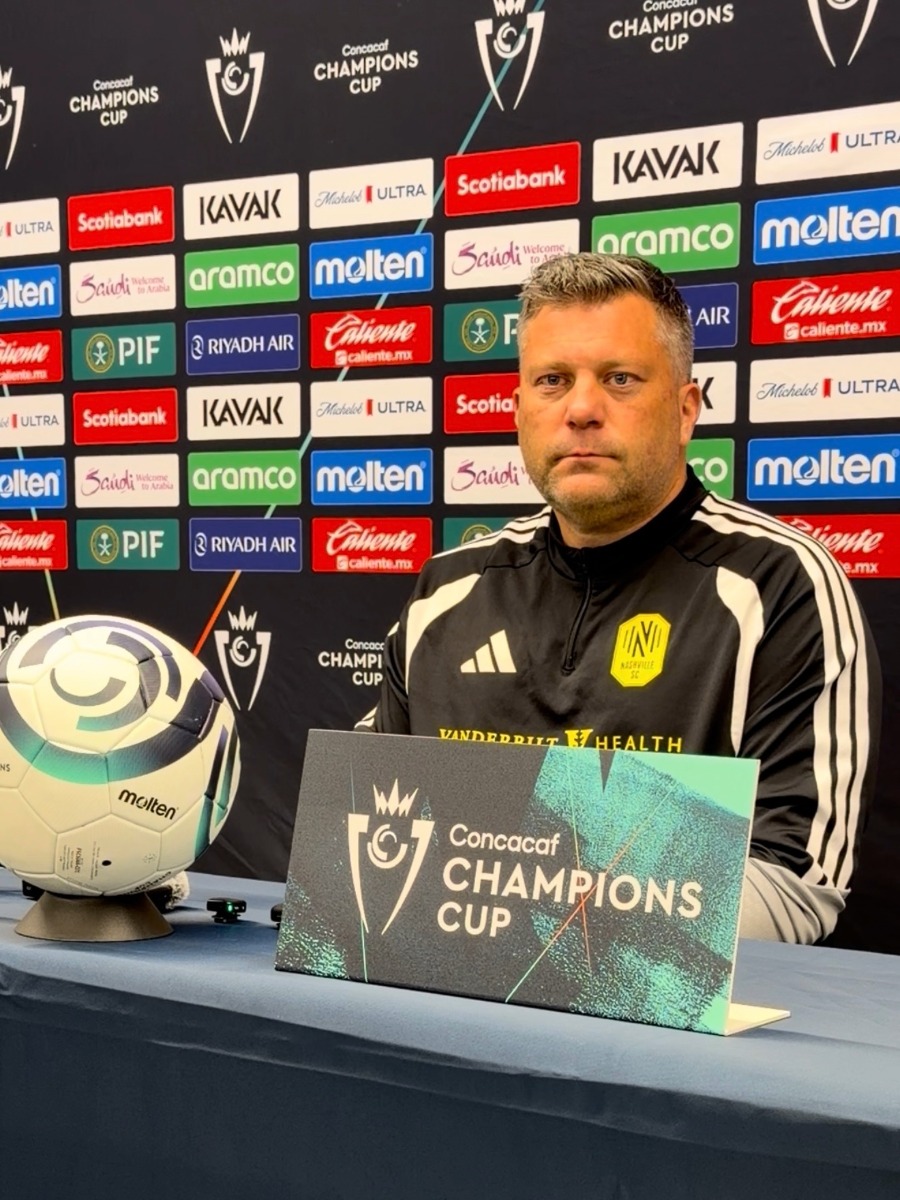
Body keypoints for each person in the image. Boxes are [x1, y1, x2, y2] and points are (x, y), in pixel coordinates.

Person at [356, 252, 881, 944]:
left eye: (620, 380)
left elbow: (796, 883)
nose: (580, 409)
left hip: (661, 1040)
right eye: (552, 381)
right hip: (434, 1024)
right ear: (516, 411)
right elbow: (361, 829)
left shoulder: (779, 583)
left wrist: (522, 924)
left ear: (686, 409)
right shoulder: (446, 591)